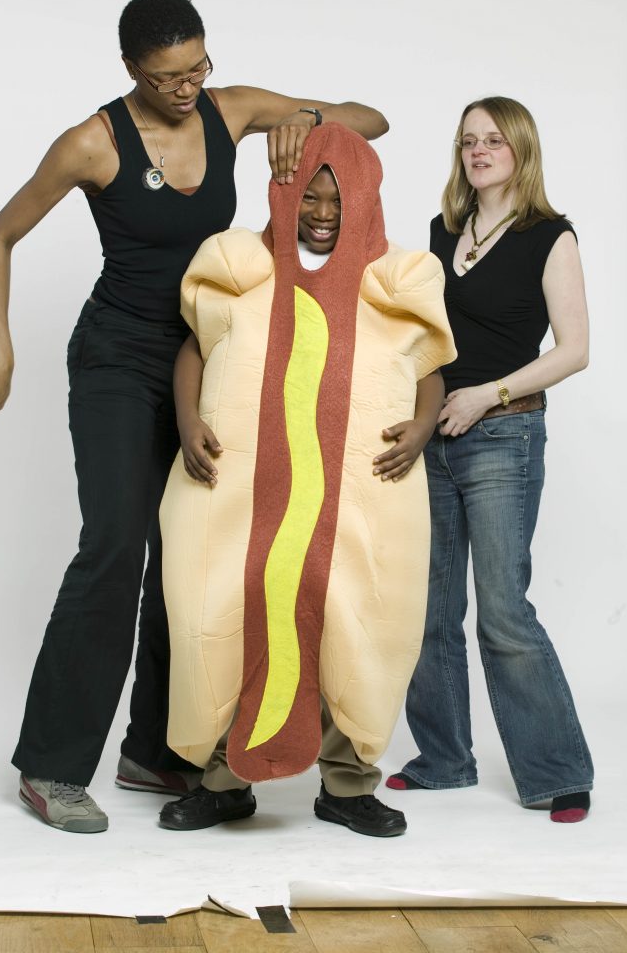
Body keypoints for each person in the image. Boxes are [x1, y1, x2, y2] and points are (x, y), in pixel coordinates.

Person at [0, 0, 388, 833]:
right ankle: (51, 767)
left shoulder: (230, 108)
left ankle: (155, 751)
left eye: (198, 67)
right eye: (169, 75)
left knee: (191, 555)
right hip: (117, 361)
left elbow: (370, 119)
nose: (187, 87)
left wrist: (305, 119)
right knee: (114, 548)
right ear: (131, 69)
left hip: (209, 361)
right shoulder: (91, 143)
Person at [155, 122, 457, 837]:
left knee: (352, 617)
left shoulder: (395, 281)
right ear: (284, 197)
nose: (322, 213)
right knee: (229, 609)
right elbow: (196, 349)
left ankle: (347, 787)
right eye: (308, 198)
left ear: (365, 203)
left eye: (337, 200)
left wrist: (420, 428)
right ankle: (223, 782)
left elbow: (429, 372)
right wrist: (187, 418)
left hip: (357, 487)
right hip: (241, 485)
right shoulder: (240, 268)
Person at [386, 96, 594, 824]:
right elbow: (423, 343)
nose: (478, 151)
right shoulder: (441, 235)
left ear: (519, 150)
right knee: (429, 610)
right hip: (433, 437)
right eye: (468, 141)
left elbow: (573, 351)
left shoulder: (548, 236)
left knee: (502, 611)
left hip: (504, 435)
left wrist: (486, 395)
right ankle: (443, 760)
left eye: (493, 141)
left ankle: (557, 771)